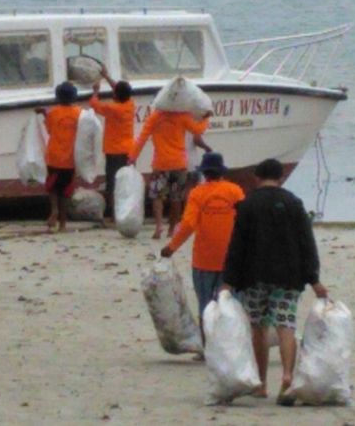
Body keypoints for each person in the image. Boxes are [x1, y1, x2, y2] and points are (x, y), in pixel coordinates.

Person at [219, 158, 328, 404]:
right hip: (289, 277)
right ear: (280, 178)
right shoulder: (293, 203)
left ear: (257, 177)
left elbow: (237, 246)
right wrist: (314, 280)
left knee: (258, 328)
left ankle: (261, 382)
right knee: (286, 325)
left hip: (254, 276)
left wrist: (228, 280)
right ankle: (288, 376)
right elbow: (306, 244)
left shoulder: (247, 205)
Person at [160, 152, 245, 354]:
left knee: (206, 305)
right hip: (232, 258)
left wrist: (171, 247)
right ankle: (233, 347)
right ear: (222, 172)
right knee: (233, 304)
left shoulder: (198, 193)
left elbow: (188, 224)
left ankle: (207, 349)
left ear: (205, 173)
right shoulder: (235, 191)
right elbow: (245, 221)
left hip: (204, 259)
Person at [128, 108, 212, 239]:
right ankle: (172, 229)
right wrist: (206, 119)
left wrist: (133, 157)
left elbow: (142, 138)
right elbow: (198, 130)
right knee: (176, 197)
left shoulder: (154, 117)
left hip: (160, 163)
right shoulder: (182, 116)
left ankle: (159, 226)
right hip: (178, 163)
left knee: (157, 196)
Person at [89, 66, 135, 223]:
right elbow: (118, 89)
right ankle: (127, 212)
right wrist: (107, 77)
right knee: (126, 183)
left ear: (115, 95)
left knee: (113, 183)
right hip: (128, 150)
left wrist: (95, 91)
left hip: (114, 151)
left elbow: (94, 105)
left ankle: (114, 216)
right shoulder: (130, 105)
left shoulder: (112, 108)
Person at [35, 81, 82, 232]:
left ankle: (53, 210)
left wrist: (44, 113)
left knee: (53, 189)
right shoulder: (79, 113)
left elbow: (49, 130)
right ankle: (63, 224)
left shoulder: (53, 113)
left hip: (54, 156)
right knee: (65, 192)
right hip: (70, 158)